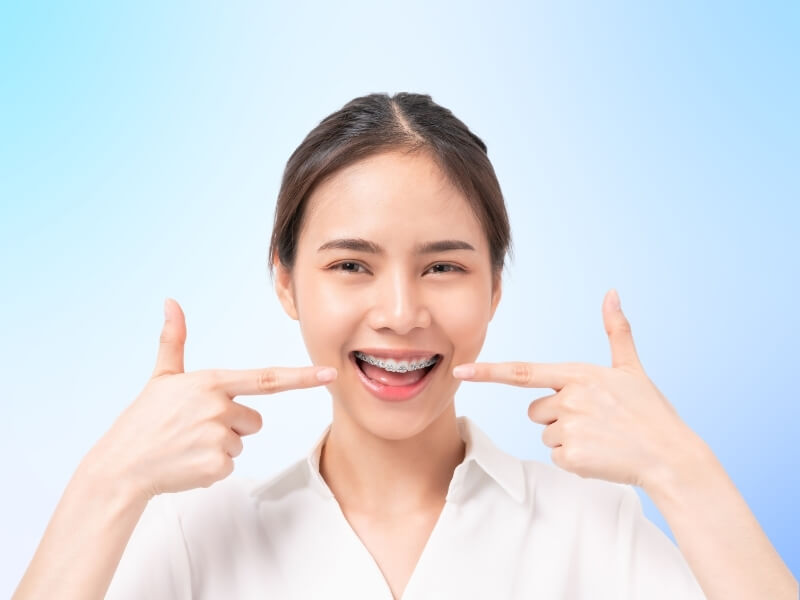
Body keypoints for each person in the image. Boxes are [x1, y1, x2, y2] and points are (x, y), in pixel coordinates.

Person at [12, 92, 796, 600]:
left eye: (443, 267)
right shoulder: (194, 532)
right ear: (285, 282)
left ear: (494, 287)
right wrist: (105, 482)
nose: (399, 312)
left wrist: (682, 470)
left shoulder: (591, 523)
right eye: (351, 264)